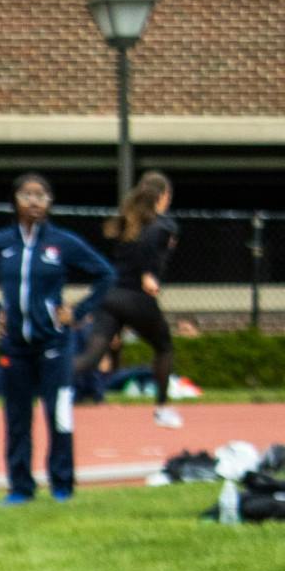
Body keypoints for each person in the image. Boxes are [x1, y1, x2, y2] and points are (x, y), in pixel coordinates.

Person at [0, 172, 114, 504]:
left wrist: (77, 312)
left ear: (50, 203)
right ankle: (20, 487)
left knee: (58, 414)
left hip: (54, 346)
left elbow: (105, 273)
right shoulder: (0, 243)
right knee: (17, 419)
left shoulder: (62, 243)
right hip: (15, 348)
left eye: (41, 195)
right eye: (26, 194)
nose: (34, 201)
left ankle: (62, 484)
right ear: (15, 200)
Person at [79, 171, 181, 428]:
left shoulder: (127, 222)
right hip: (135, 297)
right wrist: (149, 274)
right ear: (162, 196)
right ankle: (162, 407)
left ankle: (52, 388)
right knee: (164, 347)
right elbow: (153, 246)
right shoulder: (162, 226)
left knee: (91, 356)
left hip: (110, 296)